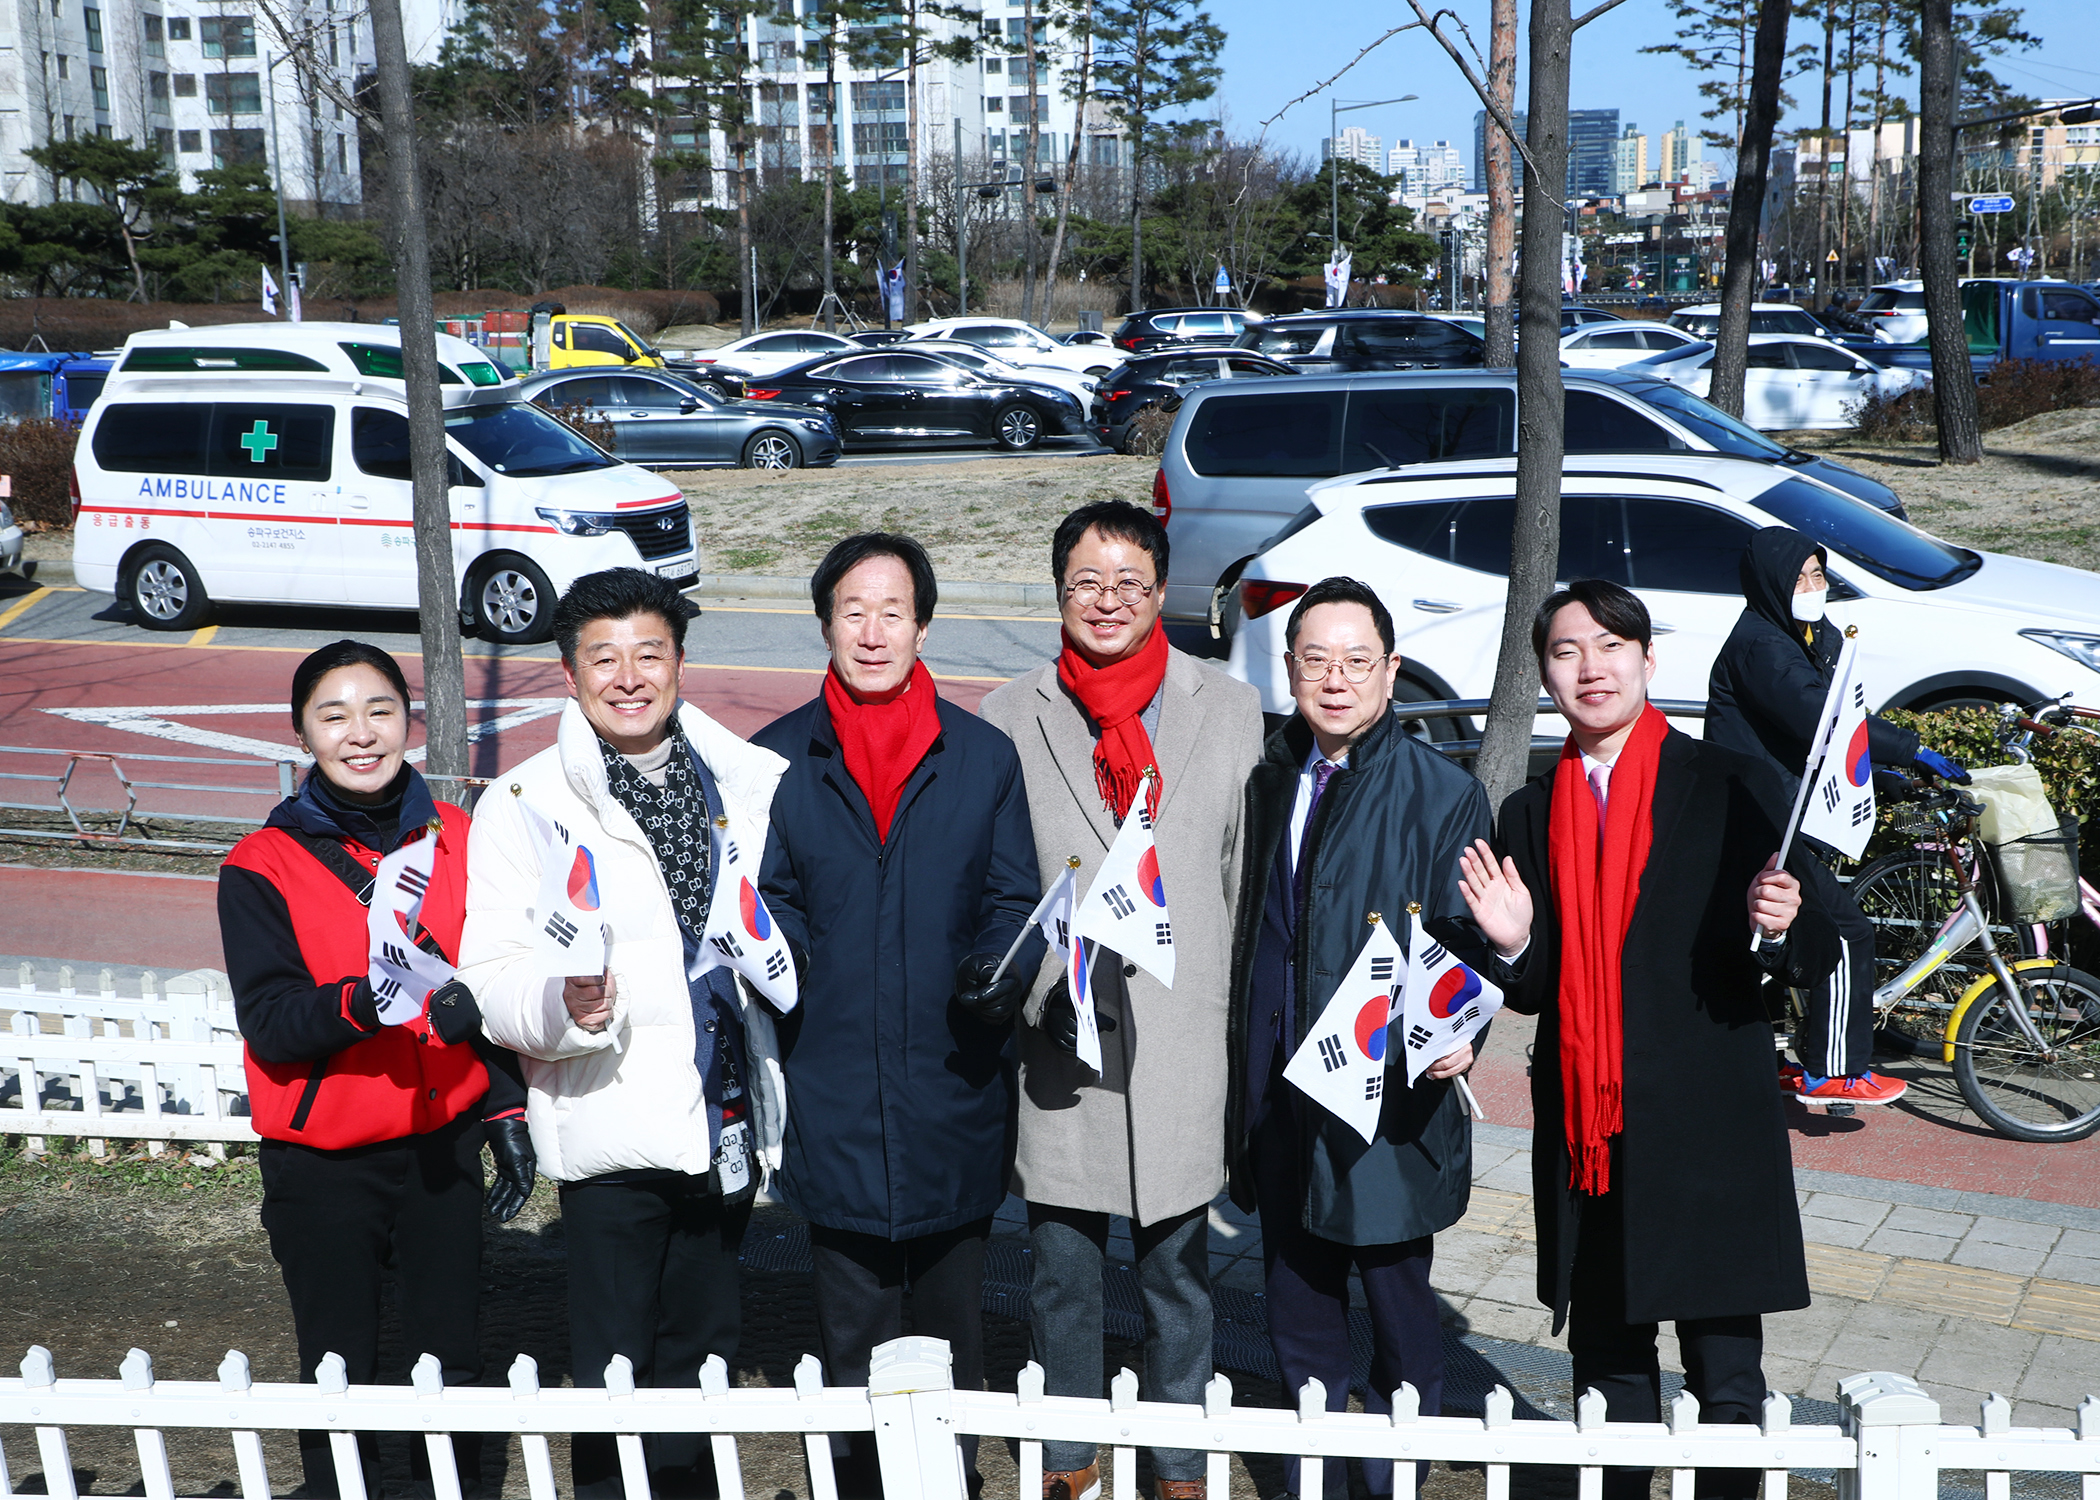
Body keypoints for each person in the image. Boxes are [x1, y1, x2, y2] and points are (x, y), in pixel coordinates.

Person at [1459, 579, 1840, 1500]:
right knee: (1609, 1367)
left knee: (1726, 1376)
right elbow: (1542, 988)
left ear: (1647, 660)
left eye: (1611, 646)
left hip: (1707, 1124)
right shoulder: (1530, 811)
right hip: (1592, 1134)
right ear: (1544, 673)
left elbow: (1822, 946)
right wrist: (1514, 944)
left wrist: (1783, 924)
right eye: (1566, 651)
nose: (1591, 668)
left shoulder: (1731, 784)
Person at [459, 568, 788, 1500]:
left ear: (681, 661)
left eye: (650, 652)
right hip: (607, 1115)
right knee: (614, 1358)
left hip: (720, 1107)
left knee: (705, 1343)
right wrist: (563, 1007)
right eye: (604, 658)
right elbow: (490, 974)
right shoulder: (524, 804)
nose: (629, 676)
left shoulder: (743, 784)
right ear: (570, 675)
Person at [980, 500, 1263, 1500]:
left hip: (1182, 1040)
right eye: (1086, 583)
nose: (1107, 601)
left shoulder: (1226, 709)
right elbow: (999, 886)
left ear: (1160, 593)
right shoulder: (1011, 716)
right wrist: (1037, 991)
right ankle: (1068, 1457)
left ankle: (1181, 1464)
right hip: (1062, 1042)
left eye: (1128, 583)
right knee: (1060, 1275)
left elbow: (1239, 876)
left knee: (1181, 1277)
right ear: (1059, 592)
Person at [753, 533, 1042, 1497]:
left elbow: (1016, 899)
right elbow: (765, 898)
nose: (872, 632)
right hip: (832, 1086)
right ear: (825, 623)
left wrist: (1004, 968)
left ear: (923, 623)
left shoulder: (982, 757)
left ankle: (945, 1483)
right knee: (850, 1332)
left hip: (950, 1083)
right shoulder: (775, 760)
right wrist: (782, 951)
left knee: (954, 1331)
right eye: (852, 611)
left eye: (892, 612)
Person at [219, 640, 535, 1500]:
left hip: (441, 1144)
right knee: (337, 1367)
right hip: (321, 1162)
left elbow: (486, 992)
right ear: (302, 734)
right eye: (334, 715)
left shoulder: (460, 840)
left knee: (452, 1359)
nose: (361, 734)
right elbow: (273, 1023)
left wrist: (505, 1111)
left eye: (380, 711)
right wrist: (367, 1000)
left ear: (408, 721)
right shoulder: (260, 865)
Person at [1221, 578, 1491, 1500]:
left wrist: (1459, 1036)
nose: (1334, 680)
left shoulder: (1441, 792)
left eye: (1355, 661)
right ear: (1290, 667)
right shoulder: (1267, 773)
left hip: (1385, 1097)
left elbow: (1467, 940)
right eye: (1314, 660)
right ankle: (1314, 1475)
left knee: (1400, 1306)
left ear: (1389, 671)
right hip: (1280, 1088)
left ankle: (1389, 1476)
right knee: (1296, 1307)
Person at [1705, 527, 1968, 1105]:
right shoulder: (1762, 645)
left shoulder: (1809, 633)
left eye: (1817, 575)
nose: (1810, 586)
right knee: (1845, 931)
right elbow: (1820, 717)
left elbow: (1844, 718)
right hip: (1763, 812)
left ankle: (1765, 1055)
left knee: (1771, 941)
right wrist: (1906, 748)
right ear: (1770, 583)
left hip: (1791, 804)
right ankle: (1834, 1068)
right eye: (1797, 578)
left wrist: (1881, 776)